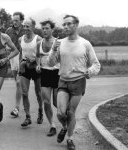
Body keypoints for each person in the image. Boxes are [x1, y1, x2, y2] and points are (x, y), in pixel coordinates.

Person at [48, 15, 100, 150]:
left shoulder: (85, 43)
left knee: (70, 112)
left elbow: (96, 64)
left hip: (78, 81)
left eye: (68, 24)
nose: (65, 27)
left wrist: (90, 72)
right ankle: (65, 127)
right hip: (63, 81)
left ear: (76, 25)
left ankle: (70, 139)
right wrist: (53, 50)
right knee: (60, 113)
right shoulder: (59, 42)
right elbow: (51, 63)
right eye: (64, 24)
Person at [19, 18, 43, 127]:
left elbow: (42, 55)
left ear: (32, 27)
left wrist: (37, 63)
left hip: (35, 67)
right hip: (25, 67)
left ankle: (40, 111)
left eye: (27, 26)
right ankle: (28, 117)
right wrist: (20, 64)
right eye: (24, 26)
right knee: (24, 93)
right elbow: (21, 52)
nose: (25, 28)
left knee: (38, 92)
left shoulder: (38, 39)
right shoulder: (20, 39)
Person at [36, 20, 59, 136]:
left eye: (47, 28)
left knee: (56, 102)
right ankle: (52, 125)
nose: (44, 30)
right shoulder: (39, 43)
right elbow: (37, 56)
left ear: (52, 29)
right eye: (43, 28)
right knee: (46, 101)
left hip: (57, 73)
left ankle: (65, 121)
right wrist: (38, 64)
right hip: (44, 73)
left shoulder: (58, 42)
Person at [5, 12, 25, 117]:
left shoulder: (25, 30)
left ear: (21, 20)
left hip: (23, 58)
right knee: (18, 83)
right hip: (13, 58)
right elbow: (4, 43)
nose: (14, 22)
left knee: (18, 83)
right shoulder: (8, 30)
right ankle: (22, 101)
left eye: (17, 20)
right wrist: (7, 48)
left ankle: (16, 108)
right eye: (13, 20)